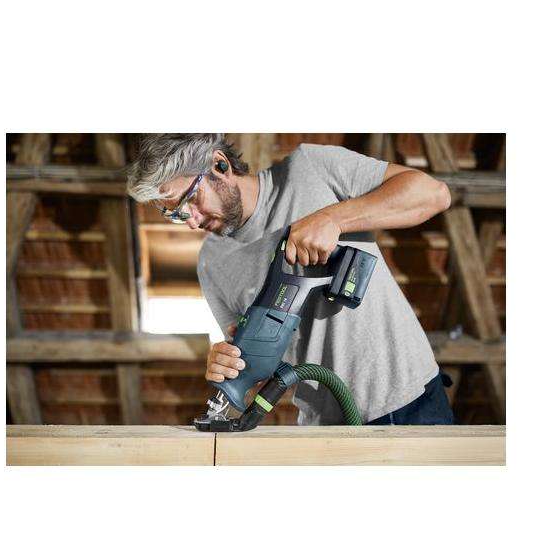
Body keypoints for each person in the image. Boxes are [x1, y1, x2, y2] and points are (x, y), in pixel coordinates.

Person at [127, 133, 455, 425]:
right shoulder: (211, 263)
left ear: (219, 165)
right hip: (323, 427)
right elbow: (254, 355)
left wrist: (332, 219)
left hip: (412, 400)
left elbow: (433, 194)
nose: (191, 221)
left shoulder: (310, 167)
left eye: (191, 199)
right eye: (176, 214)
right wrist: (226, 361)